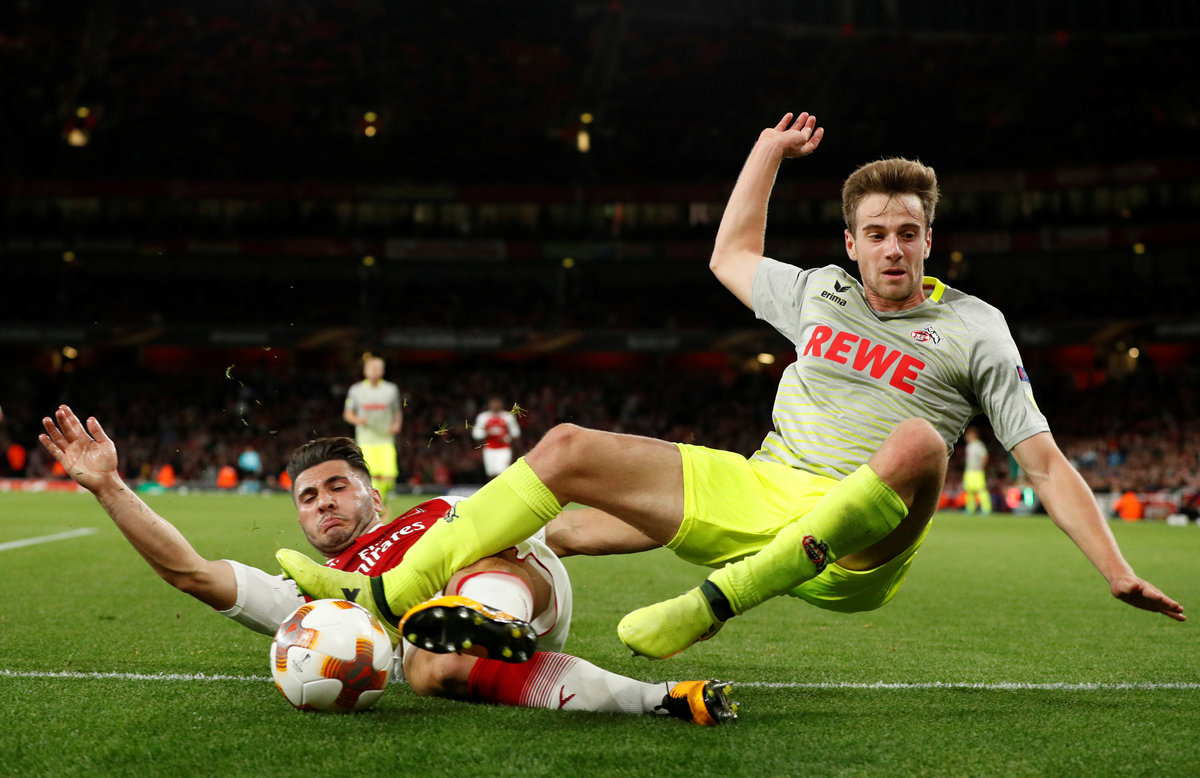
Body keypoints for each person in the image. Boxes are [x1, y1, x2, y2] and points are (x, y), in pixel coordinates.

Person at [278, 111, 1184, 664]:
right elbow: (731, 254)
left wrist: (1117, 570)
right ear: (852, 242)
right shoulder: (819, 293)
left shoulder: (976, 326)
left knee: (919, 441)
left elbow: (1045, 462)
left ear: (930, 239)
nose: (894, 248)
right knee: (564, 448)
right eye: (877, 234)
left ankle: (710, 605)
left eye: (909, 232)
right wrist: (765, 151)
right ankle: (387, 592)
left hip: (863, 542)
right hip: (764, 488)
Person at [38, 405, 736, 725]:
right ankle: (659, 699)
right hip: (450, 653)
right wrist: (109, 486)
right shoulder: (313, 601)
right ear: (299, 519)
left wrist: (694, 529)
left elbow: (574, 530)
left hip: (523, 586)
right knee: (430, 669)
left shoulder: (439, 508)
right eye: (308, 497)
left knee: (468, 546)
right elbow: (191, 571)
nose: (323, 502)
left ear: (374, 495)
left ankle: (484, 614)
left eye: (338, 486)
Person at [343, 355, 402, 504]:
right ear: (365, 370)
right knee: (372, 474)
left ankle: (380, 501)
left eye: (378, 368)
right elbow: (347, 414)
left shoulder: (391, 389)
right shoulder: (356, 390)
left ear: (383, 371)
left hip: (385, 438)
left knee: (389, 475)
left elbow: (397, 411)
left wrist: (396, 424)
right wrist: (357, 420)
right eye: (371, 368)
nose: (374, 371)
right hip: (366, 439)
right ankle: (376, 506)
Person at [472, 396, 522, 480]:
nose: (495, 405)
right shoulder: (483, 417)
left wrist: (507, 438)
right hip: (489, 448)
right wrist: (486, 433)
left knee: (502, 472)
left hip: (503, 449)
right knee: (490, 473)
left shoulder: (508, 416)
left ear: (501, 405)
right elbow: (476, 434)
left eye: (497, 403)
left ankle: (502, 488)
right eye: (493, 403)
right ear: (489, 405)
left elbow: (516, 433)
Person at [961, 427, 992, 515]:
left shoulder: (979, 445)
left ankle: (986, 509)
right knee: (969, 491)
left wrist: (981, 467)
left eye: (968, 435)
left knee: (981, 490)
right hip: (969, 471)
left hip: (977, 471)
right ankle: (970, 508)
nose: (966, 437)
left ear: (973, 435)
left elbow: (985, 456)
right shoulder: (969, 446)